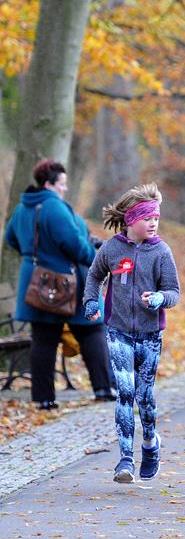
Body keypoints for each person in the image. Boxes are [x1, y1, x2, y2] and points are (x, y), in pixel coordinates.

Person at [84, 183, 180, 483]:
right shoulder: (112, 249)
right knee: (125, 392)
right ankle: (125, 459)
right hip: (118, 330)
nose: (153, 223)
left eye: (156, 218)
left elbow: (174, 292)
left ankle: (150, 443)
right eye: (147, 218)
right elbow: (94, 276)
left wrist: (160, 298)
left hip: (150, 334)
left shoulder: (161, 251)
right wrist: (91, 301)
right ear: (131, 219)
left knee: (144, 396)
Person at [3, 159, 115, 410]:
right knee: (91, 329)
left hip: (35, 283)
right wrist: (97, 259)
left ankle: (44, 399)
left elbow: (10, 238)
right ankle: (104, 388)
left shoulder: (23, 207)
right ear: (48, 184)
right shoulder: (54, 207)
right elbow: (74, 245)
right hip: (66, 283)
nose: (65, 188)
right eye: (61, 183)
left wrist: (34, 257)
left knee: (43, 339)